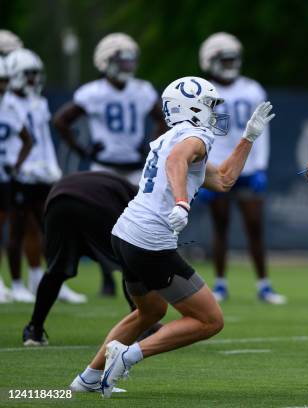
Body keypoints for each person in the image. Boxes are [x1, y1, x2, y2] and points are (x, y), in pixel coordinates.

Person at [70, 76, 275, 397]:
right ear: (191, 108)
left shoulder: (173, 136)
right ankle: (128, 355)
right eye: (210, 106)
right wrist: (181, 201)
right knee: (210, 320)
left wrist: (248, 137)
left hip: (125, 234)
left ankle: (87, 378)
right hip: (149, 240)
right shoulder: (193, 136)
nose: (215, 113)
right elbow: (177, 160)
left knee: (149, 312)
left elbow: (223, 180)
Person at [53, 32, 166, 296]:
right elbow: (61, 120)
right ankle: (107, 277)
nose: (127, 66)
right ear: (105, 62)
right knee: (106, 226)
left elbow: (162, 119)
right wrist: (83, 149)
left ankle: (139, 276)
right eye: (121, 61)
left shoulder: (142, 90)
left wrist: (151, 144)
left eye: (130, 61)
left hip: (135, 166)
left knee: (142, 223)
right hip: (103, 166)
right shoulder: (93, 93)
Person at [196, 32, 285, 304]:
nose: (230, 63)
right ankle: (220, 284)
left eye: (232, 58)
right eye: (224, 59)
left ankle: (264, 285)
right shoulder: (204, 91)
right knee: (220, 227)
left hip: (247, 169)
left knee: (255, 227)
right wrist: (204, 170)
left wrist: (260, 167)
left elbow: (264, 132)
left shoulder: (252, 89)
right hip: (218, 167)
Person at [5, 48, 85, 304]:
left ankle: (48, 280)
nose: (33, 79)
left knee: (50, 230)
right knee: (16, 229)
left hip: (42, 173)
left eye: (35, 74)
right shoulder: (6, 102)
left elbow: (42, 141)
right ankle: (17, 283)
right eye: (29, 74)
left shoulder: (38, 102)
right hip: (19, 175)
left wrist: (51, 166)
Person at [22, 172, 139, 347]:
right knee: (130, 263)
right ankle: (142, 324)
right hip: (92, 202)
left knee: (56, 270)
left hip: (57, 201)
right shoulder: (139, 200)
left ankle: (34, 329)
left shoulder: (119, 185)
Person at [0, 55, 33, 303]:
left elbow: (27, 140)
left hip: (6, 177)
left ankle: (16, 283)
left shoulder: (9, 107)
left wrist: (17, 164)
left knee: (14, 228)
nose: (2, 86)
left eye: (4, 81)